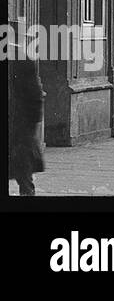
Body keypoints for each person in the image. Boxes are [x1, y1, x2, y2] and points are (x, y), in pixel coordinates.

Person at [8, 24, 45, 196]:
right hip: (21, 124)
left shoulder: (20, 59)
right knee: (23, 170)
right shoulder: (25, 59)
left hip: (17, 122)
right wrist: (34, 123)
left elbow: (34, 95)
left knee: (22, 166)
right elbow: (36, 95)